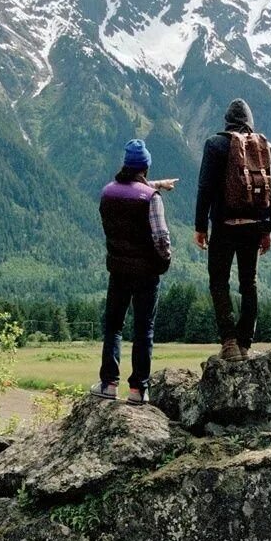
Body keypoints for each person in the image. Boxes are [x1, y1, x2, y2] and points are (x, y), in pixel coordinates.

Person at [90, 139, 177, 403]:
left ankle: (108, 384)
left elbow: (128, 191)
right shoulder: (151, 199)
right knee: (143, 329)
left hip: (117, 269)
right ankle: (138, 389)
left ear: (125, 165)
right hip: (146, 273)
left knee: (113, 326)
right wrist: (165, 261)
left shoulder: (108, 192)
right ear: (146, 167)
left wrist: (158, 184)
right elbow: (161, 238)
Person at [194, 98, 271, 361]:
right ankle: (245, 342)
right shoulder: (265, 147)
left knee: (219, 281)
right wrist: (267, 229)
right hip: (253, 228)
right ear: (249, 123)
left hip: (224, 225)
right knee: (248, 282)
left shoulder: (216, 144)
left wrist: (200, 226)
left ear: (227, 121)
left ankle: (229, 342)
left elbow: (205, 187)